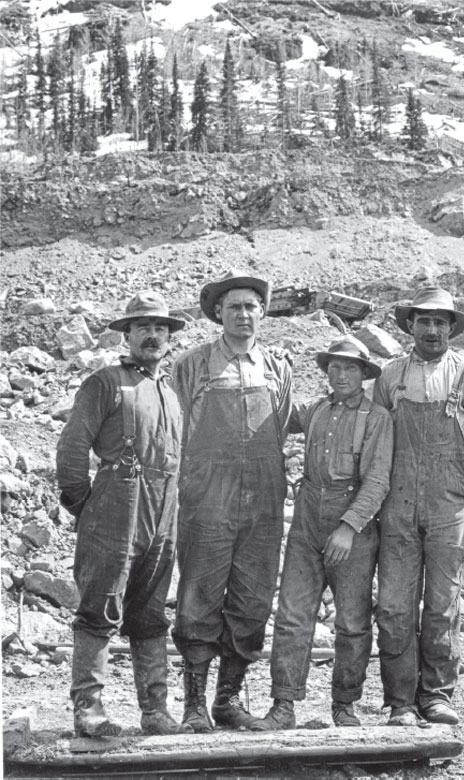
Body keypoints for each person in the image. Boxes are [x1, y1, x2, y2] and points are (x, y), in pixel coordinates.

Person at [56, 290, 186, 738]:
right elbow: (72, 448)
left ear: (170, 337)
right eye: (143, 327)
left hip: (164, 506)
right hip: (116, 503)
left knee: (150, 612)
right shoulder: (106, 382)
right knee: (100, 606)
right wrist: (84, 506)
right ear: (127, 334)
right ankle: (88, 709)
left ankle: (155, 711)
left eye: (161, 328)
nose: (153, 335)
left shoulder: (170, 391)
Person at [171, 268, 292, 732]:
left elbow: (277, 427)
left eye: (251, 306)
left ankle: (227, 699)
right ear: (218, 313)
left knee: (253, 599)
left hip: (262, 500)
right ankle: (194, 707)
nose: (243, 314)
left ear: (262, 312)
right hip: (207, 498)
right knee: (199, 596)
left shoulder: (278, 365)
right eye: (234, 306)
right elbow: (177, 431)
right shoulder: (193, 364)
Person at [254, 335, 393, 731]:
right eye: (334, 366)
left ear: (364, 374)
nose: (340, 374)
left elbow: (378, 481)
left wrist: (348, 528)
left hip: (352, 522)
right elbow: (274, 410)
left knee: (351, 621)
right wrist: (277, 367)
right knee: (293, 615)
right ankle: (283, 704)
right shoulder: (315, 410)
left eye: (349, 367)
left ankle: (344, 705)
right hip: (307, 518)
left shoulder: (377, 418)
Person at [373, 287, 464, 727]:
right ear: (410, 325)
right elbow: (374, 444)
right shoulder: (390, 376)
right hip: (398, 501)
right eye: (423, 321)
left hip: (451, 504)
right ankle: (400, 701)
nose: (431, 329)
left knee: (442, 603)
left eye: (439, 322)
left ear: (450, 328)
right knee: (393, 604)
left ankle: (437, 695)